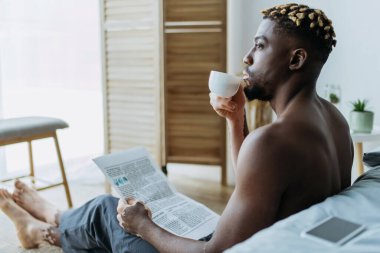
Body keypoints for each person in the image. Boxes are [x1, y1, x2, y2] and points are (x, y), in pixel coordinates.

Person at [0, 3, 353, 253]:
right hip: (267, 242)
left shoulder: (272, 142)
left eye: (260, 46)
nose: (247, 57)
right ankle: (56, 219)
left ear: (296, 59)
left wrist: (143, 226)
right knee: (128, 216)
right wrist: (235, 120)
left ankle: (44, 230)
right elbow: (256, 178)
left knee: (110, 212)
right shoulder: (334, 121)